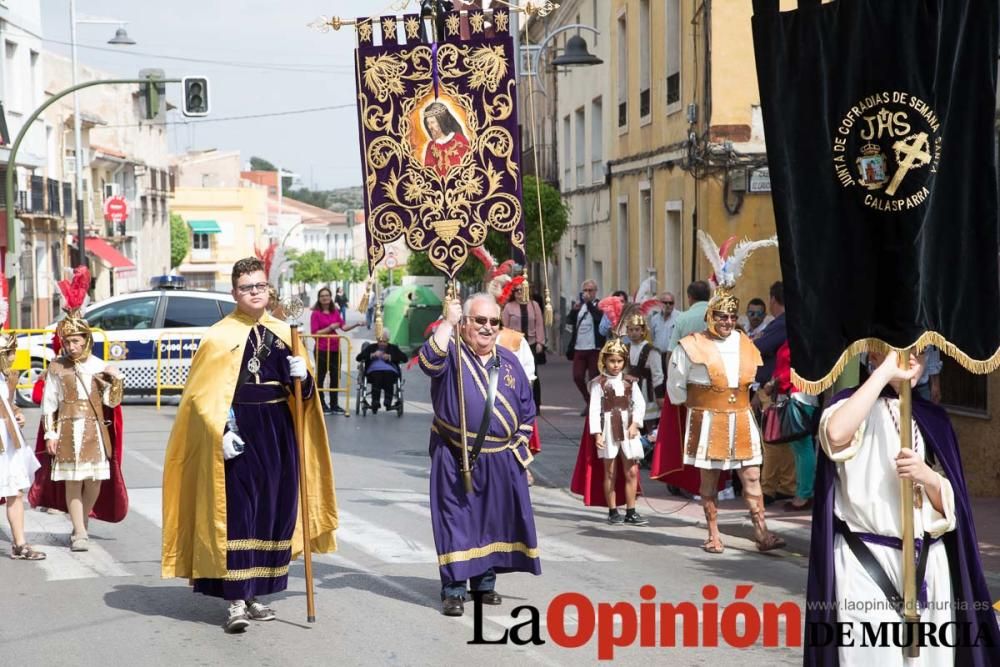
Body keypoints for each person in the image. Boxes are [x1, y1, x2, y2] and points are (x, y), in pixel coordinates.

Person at [161, 257, 338, 634]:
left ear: (268, 288)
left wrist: (304, 377)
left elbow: (304, 397)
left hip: (277, 430)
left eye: (259, 286)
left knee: (272, 510)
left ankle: (257, 592)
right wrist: (219, 431)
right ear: (234, 293)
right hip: (238, 430)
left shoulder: (284, 332)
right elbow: (200, 397)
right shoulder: (219, 336)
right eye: (246, 288)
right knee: (239, 511)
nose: (254, 292)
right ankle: (236, 600)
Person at [806, 350, 1000, 665]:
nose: (912, 357)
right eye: (901, 348)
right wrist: (883, 372)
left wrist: (930, 480)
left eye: (921, 351)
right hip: (865, 561)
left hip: (927, 564)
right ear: (872, 351)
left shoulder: (933, 419)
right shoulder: (847, 405)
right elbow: (835, 434)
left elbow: (952, 508)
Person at [418, 293, 540, 617]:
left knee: (490, 521)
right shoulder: (451, 353)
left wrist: (520, 455)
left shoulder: (509, 360)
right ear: (466, 322)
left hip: (499, 457)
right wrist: (447, 321)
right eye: (479, 320)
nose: (487, 328)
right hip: (455, 453)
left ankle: (484, 583)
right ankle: (454, 589)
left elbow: (528, 412)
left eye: (493, 322)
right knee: (456, 521)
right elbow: (428, 362)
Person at [667, 235, 784, 554]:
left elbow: (756, 377)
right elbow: (676, 389)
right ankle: (713, 533)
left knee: (751, 477)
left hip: (742, 418)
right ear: (710, 316)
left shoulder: (745, 341)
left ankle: (762, 532)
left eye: (732, 317)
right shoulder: (690, 346)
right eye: (721, 316)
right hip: (709, 419)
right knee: (710, 481)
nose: (727, 322)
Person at [30, 266, 127, 552]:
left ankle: (80, 522)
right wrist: (50, 434)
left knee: (94, 479)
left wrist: (115, 378)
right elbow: (49, 402)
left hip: (94, 429)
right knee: (72, 480)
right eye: (67, 341)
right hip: (68, 428)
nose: (71, 346)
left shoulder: (98, 365)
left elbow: (113, 401)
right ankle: (80, 531)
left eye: (76, 340)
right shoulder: (57, 367)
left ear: (86, 340)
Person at [590, 337, 648, 525]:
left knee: (631, 470)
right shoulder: (599, 383)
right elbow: (594, 409)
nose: (616, 365)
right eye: (612, 361)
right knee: (610, 472)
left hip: (627, 426)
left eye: (619, 361)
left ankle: (631, 511)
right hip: (608, 427)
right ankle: (613, 510)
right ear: (605, 361)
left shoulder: (631, 382)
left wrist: (635, 424)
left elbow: (640, 404)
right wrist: (597, 433)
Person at [0, 320, 45, 561]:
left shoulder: (6, 377)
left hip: (7, 442)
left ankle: (20, 544)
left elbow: (7, 402)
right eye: (7, 353)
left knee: (14, 492)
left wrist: (16, 413)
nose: (11, 358)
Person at [766, 341, 818, 512]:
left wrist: (776, 381)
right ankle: (802, 492)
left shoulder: (803, 336)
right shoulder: (795, 335)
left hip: (799, 393)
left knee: (802, 446)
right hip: (792, 393)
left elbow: (802, 365)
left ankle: (804, 494)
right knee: (798, 447)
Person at [310, 286, 360, 414]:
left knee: (334, 377)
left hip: (335, 349)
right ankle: (322, 404)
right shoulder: (315, 314)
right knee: (320, 377)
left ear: (330, 297)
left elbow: (343, 327)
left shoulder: (335, 312)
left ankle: (334, 405)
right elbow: (314, 333)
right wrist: (330, 327)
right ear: (319, 299)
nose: (325, 298)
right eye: (322, 296)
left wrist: (357, 324)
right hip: (321, 350)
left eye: (327, 295)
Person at [500, 277, 545, 411]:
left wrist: (540, 342)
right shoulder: (509, 307)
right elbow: (505, 327)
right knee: (514, 373)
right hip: (514, 345)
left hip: (530, 343)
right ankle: (515, 401)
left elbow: (539, 324)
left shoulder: (534, 305)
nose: (519, 293)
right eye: (516, 291)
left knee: (532, 373)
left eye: (522, 290)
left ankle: (535, 404)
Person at [567, 279, 605, 415]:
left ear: (595, 292)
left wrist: (589, 304)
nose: (587, 293)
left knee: (594, 378)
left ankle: (594, 405)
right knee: (577, 376)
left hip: (594, 348)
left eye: (590, 290)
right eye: (585, 290)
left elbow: (598, 318)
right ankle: (588, 400)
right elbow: (569, 320)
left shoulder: (599, 305)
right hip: (579, 347)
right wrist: (574, 309)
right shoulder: (580, 306)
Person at [356, 331, 407, 413]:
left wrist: (391, 357)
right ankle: (375, 401)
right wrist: (371, 355)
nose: (382, 343)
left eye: (384, 341)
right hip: (374, 370)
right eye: (380, 341)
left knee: (388, 375)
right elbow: (358, 358)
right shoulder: (371, 348)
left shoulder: (393, 348)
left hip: (390, 370)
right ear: (377, 340)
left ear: (388, 340)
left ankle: (387, 401)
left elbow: (405, 358)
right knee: (377, 376)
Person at [422, 101, 471, 177]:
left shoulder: (460, 140)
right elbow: (428, 172)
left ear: (442, 121)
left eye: (432, 122)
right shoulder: (431, 145)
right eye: (428, 123)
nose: (430, 127)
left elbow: (468, 168)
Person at [667, 280, 711, 352]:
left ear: (690, 297)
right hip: (716, 361)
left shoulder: (682, 318)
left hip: (689, 361)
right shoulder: (720, 316)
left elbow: (672, 350)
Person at [647, 291, 679, 355]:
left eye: (671, 303)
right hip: (657, 355)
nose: (668, 305)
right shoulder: (654, 319)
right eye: (665, 303)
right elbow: (652, 337)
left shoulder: (680, 317)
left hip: (673, 355)